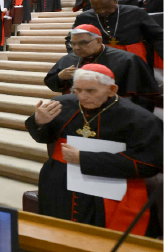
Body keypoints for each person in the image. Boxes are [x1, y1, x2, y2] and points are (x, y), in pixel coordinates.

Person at [27, 64, 164, 235]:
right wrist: (38, 122)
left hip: (108, 191)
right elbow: (43, 138)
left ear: (112, 89)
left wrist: (84, 159)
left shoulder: (140, 119)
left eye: (91, 90)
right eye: (78, 90)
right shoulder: (62, 105)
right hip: (59, 186)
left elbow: (148, 165)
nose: (82, 97)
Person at [45, 25, 158, 108]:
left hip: (112, 110)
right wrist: (60, 77)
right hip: (75, 109)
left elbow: (144, 96)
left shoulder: (127, 60)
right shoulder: (69, 58)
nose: (76, 48)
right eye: (73, 43)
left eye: (83, 43)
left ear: (99, 41)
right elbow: (52, 83)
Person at [68, 0, 164, 66]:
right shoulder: (84, 17)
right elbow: (70, 38)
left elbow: (158, 35)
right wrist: (75, 57)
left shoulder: (135, 12)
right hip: (100, 55)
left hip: (134, 55)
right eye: (97, 9)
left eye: (106, 7)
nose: (102, 11)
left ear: (115, 2)